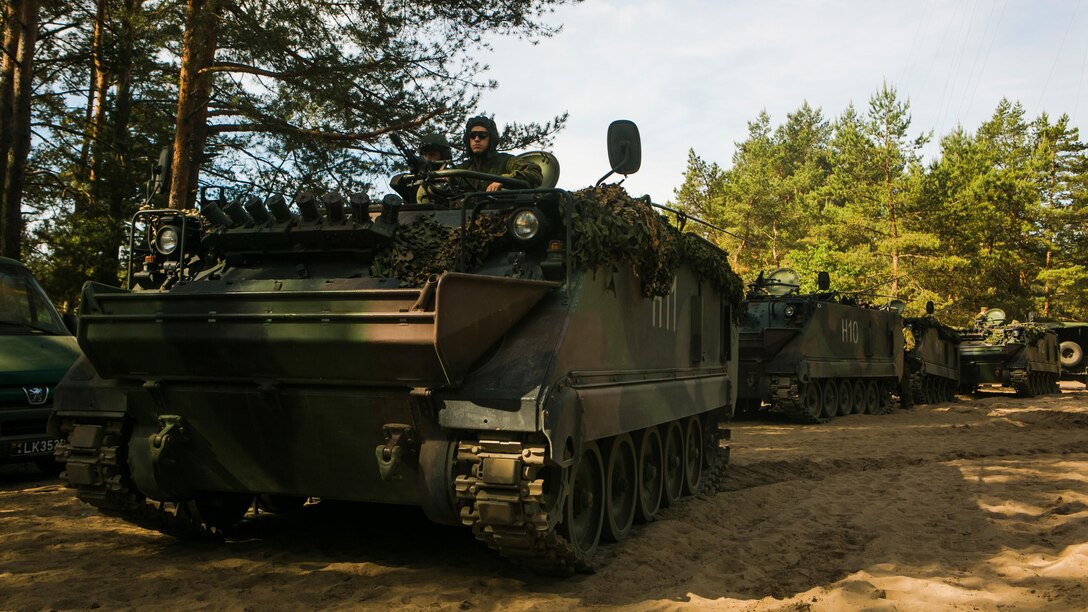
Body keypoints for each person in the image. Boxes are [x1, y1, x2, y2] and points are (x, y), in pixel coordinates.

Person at [456, 115, 542, 192]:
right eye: (472, 135)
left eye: (482, 135)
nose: (477, 139)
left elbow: (534, 172)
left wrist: (504, 180)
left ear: (491, 139)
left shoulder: (505, 161)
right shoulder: (462, 169)